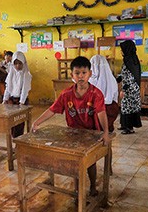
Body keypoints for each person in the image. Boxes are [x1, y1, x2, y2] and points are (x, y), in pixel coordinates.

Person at [31, 56, 109, 196]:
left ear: (90, 74)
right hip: (73, 133)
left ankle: (92, 187)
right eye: (77, 73)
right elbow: (52, 110)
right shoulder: (66, 94)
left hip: (92, 133)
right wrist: (37, 122)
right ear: (72, 75)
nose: (80, 76)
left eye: (84, 73)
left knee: (90, 163)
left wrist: (106, 132)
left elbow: (101, 113)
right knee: (75, 163)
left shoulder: (96, 94)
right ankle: (77, 191)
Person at [3, 51, 32, 137]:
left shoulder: (26, 74)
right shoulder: (11, 73)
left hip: (21, 101)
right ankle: (14, 139)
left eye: (20, 63)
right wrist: (5, 99)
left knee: (19, 122)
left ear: (23, 63)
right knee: (11, 122)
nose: (17, 66)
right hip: (11, 101)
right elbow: (8, 87)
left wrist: (21, 103)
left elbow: (25, 89)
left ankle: (19, 139)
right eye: (15, 64)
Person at [89, 54, 119, 132]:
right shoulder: (112, 79)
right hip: (110, 110)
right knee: (107, 130)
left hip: (96, 110)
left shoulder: (91, 80)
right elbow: (115, 98)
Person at [118, 40, 142, 134]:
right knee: (127, 107)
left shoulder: (129, 61)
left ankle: (129, 128)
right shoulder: (131, 59)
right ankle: (124, 125)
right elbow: (125, 74)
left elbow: (129, 77)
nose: (121, 51)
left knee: (128, 107)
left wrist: (123, 89)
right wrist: (118, 79)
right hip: (133, 88)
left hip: (130, 89)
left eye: (122, 49)